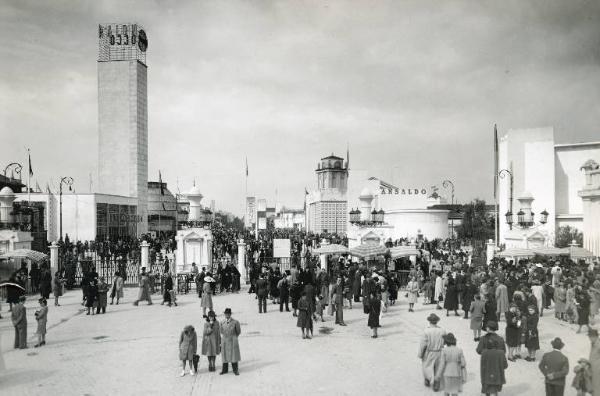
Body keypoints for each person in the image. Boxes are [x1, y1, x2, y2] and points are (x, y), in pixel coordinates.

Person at [418, 313, 446, 391]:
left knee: (426, 366)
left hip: (429, 352)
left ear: (429, 321)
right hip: (439, 352)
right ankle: (436, 383)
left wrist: (421, 354)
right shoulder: (442, 330)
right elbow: (445, 342)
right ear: (437, 321)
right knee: (439, 368)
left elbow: (423, 344)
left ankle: (427, 379)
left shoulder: (426, 331)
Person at [220, 308, 241, 375]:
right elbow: (221, 331)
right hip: (225, 340)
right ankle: (224, 370)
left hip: (232, 340)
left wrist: (234, 337)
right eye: (226, 314)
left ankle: (235, 370)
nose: (227, 315)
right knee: (225, 355)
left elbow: (238, 331)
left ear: (230, 314)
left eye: (228, 314)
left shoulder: (235, 322)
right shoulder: (222, 322)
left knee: (233, 355)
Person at [589, 329, 600, 396]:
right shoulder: (593, 343)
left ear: (595, 336)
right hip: (593, 370)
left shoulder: (599, 345)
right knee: (593, 388)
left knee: (597, 388)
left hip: (598, 370)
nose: (589, 339)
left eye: (590, 337)